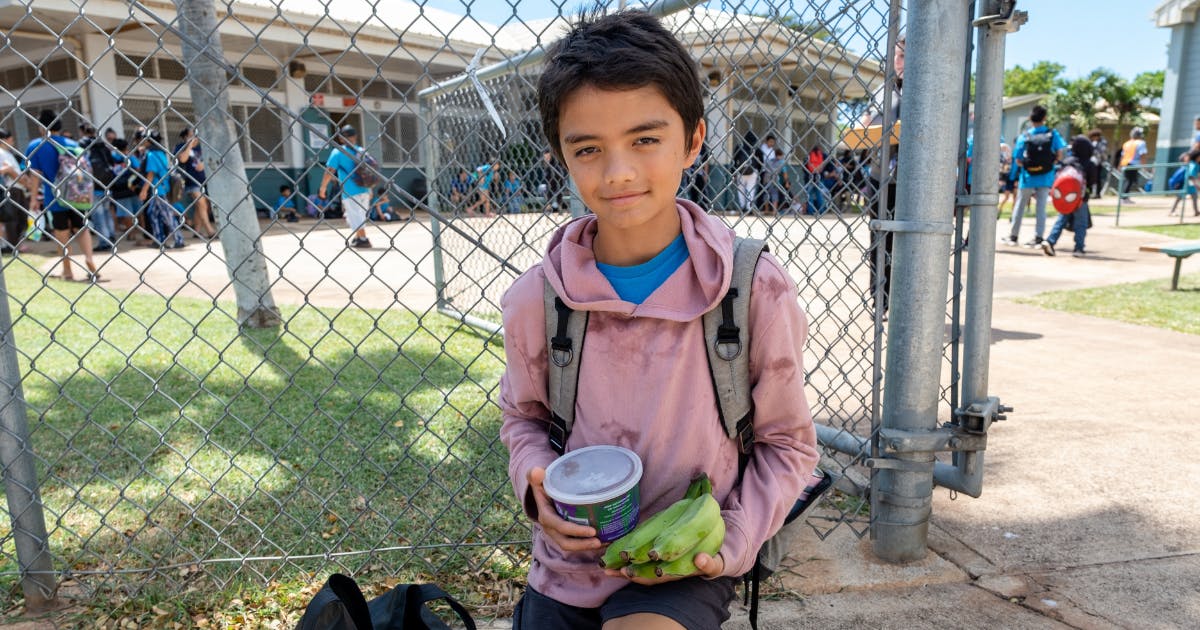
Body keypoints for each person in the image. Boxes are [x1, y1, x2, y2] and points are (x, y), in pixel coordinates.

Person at [500, 11, 819, 630]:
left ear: (694, 139)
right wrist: (534, 489)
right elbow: (524, 420)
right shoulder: (535, 301)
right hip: (569, 566)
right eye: (588, 148)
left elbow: (787, 445)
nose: (617, 171)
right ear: (560, 155)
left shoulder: (751, 289)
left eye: (645, 139)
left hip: (685, 564)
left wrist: (732, 540)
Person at [25, 109, 100, 280]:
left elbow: (35, 175)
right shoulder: (72, 144)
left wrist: (33, 199)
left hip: (55, 196)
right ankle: (89, 259)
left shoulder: (36, 145)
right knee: (81, 228)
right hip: (78, 195)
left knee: (61, 231)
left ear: (41, 126)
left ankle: (67, 269)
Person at [1003, 105, 1065, 247]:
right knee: (1041, 207)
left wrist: (1027, 166)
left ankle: (1013, 236)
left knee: (1020, 206)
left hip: (1027, 176)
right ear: (1044, 118)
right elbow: (1060, 153)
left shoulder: (1025, 136)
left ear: (1030, 118)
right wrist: (1050, 163)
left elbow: (1017, 159)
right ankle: (1038, 238)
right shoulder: (1052, 134)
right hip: (1045, 176)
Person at [319, 125, 373, 248]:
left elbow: (329, 171)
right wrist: (370, 188)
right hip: (364, 188)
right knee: (360, 214)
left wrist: (323, 188)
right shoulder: (362, 150)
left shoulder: (338, 151)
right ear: (355, 137)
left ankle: (363, 238)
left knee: (354, 214)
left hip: (349, 189)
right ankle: (358, 237)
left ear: (341, 138)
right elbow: (369, 171)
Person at [138, 128, 184, 249]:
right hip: (160, 187)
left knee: (167, 215)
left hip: (159, 189)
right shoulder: (160, 151)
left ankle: (178, 239)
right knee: (152, 213)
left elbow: (151, 173)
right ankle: (159, 240)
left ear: (149, 140)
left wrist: (144, 190)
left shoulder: (152, 154)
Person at [1041, 155, 1094, 258]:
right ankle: (1079, 248)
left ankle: (1050, 241)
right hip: (1079, 198)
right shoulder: (1088, 162)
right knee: (1081, 223)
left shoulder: (1067, 161)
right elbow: (1092, 180)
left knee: (1061, 220)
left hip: (1064, 197)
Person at [78, 123, 117, 251]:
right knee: (107, 212)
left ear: (82, 131)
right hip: (107, 184)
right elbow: (112, 162)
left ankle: (104, 241)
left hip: (93, 185)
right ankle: (111, 235)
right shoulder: (102, 145)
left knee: (98, 215)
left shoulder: (83, 144)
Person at [174, 127, 216, 239]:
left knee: (200, 206)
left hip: (203, 181)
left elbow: (209, 160)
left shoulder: (201, 147)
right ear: (185, 137)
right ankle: (210, 231)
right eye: (191, 135)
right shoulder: (180, 147)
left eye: (196, 135)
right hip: (190, 182)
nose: (195, 138)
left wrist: (203, 164)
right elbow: (182, 159)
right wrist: (189, 145)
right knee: (202, 203)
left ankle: (196, 231)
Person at [0, 127, 30, 255]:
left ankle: (15, 244)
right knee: (11, 219)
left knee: (20, 218)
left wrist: (15, 173)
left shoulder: (8, 153)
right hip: (10, 188)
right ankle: (12, 246)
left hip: (18, 188)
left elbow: (13, 170)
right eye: (10, 139)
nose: (12, 141)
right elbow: (9, 171)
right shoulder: (1, 152)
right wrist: (12, 172)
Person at [1118, 126, 1147, 203]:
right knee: (1130, 181)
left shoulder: (1126, 143)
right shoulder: (1141, 143)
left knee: (1128, 180)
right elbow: (1142, 155)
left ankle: (1124, 197)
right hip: (1133, 164)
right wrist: (1144, 166)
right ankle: (1124, 198)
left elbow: (1122, 155)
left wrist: (1120, 165)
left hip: (1125, 163)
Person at [1168, 150, 1200, 217]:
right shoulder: (1193, 164)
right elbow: (1191, 176)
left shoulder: (1196, 164)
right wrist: (1196, 184)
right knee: (1179, 197)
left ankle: (1196, 211)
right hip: (1186, 184)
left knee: (1194, 196)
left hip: (1190, 184)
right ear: (1196, 157)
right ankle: (1172, 211)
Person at [762, 147, 788, 214]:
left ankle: (766, 210)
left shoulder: (769, 161)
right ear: (781, 155)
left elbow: (765, 170)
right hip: (775, 180)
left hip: (767, 179)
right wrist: (786, 182)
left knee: (766, 194)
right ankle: (774, 211)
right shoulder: (782, 162)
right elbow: (785, 173)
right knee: (775, 195)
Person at [1088, 129, 1108, 199]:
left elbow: (1102, 152)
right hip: (1091, 162)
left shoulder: (1102, 142)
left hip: (1099, 163)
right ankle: (1090, 192)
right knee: (1091, 178)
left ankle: (1097, 194)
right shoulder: (1091, 142)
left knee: (1098, 178)